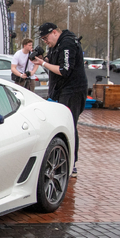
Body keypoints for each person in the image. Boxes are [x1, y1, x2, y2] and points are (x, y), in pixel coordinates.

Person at [31, 22, 88, 178]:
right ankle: (62, 159)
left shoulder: (67, 43)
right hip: (61, 91)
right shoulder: (58, 45)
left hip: (73, 91)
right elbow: (54, 60)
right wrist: (44, 58)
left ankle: (71, 164)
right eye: (42, 39)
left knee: (69, 125)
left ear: (54, 32)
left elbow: (64, 70)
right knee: (60, 125)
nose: (45, 42)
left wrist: (43, 63)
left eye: (45, 38)